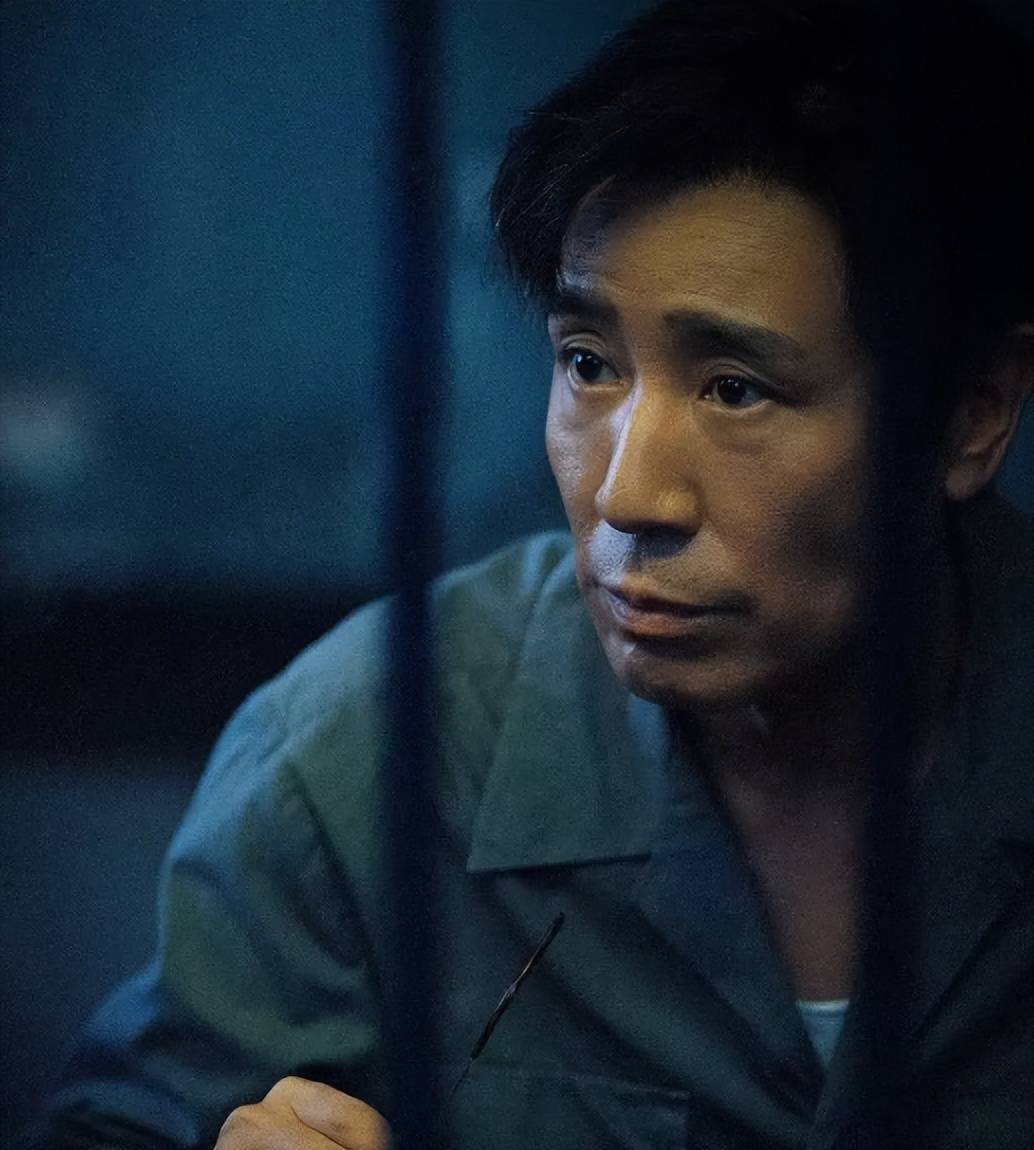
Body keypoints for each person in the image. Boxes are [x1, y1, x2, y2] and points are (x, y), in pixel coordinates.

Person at [27, 1, 1033, 1147]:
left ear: (971, 413)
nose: (627, 496)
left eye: (734, 389)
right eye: (588, 364)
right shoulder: (363, 754)